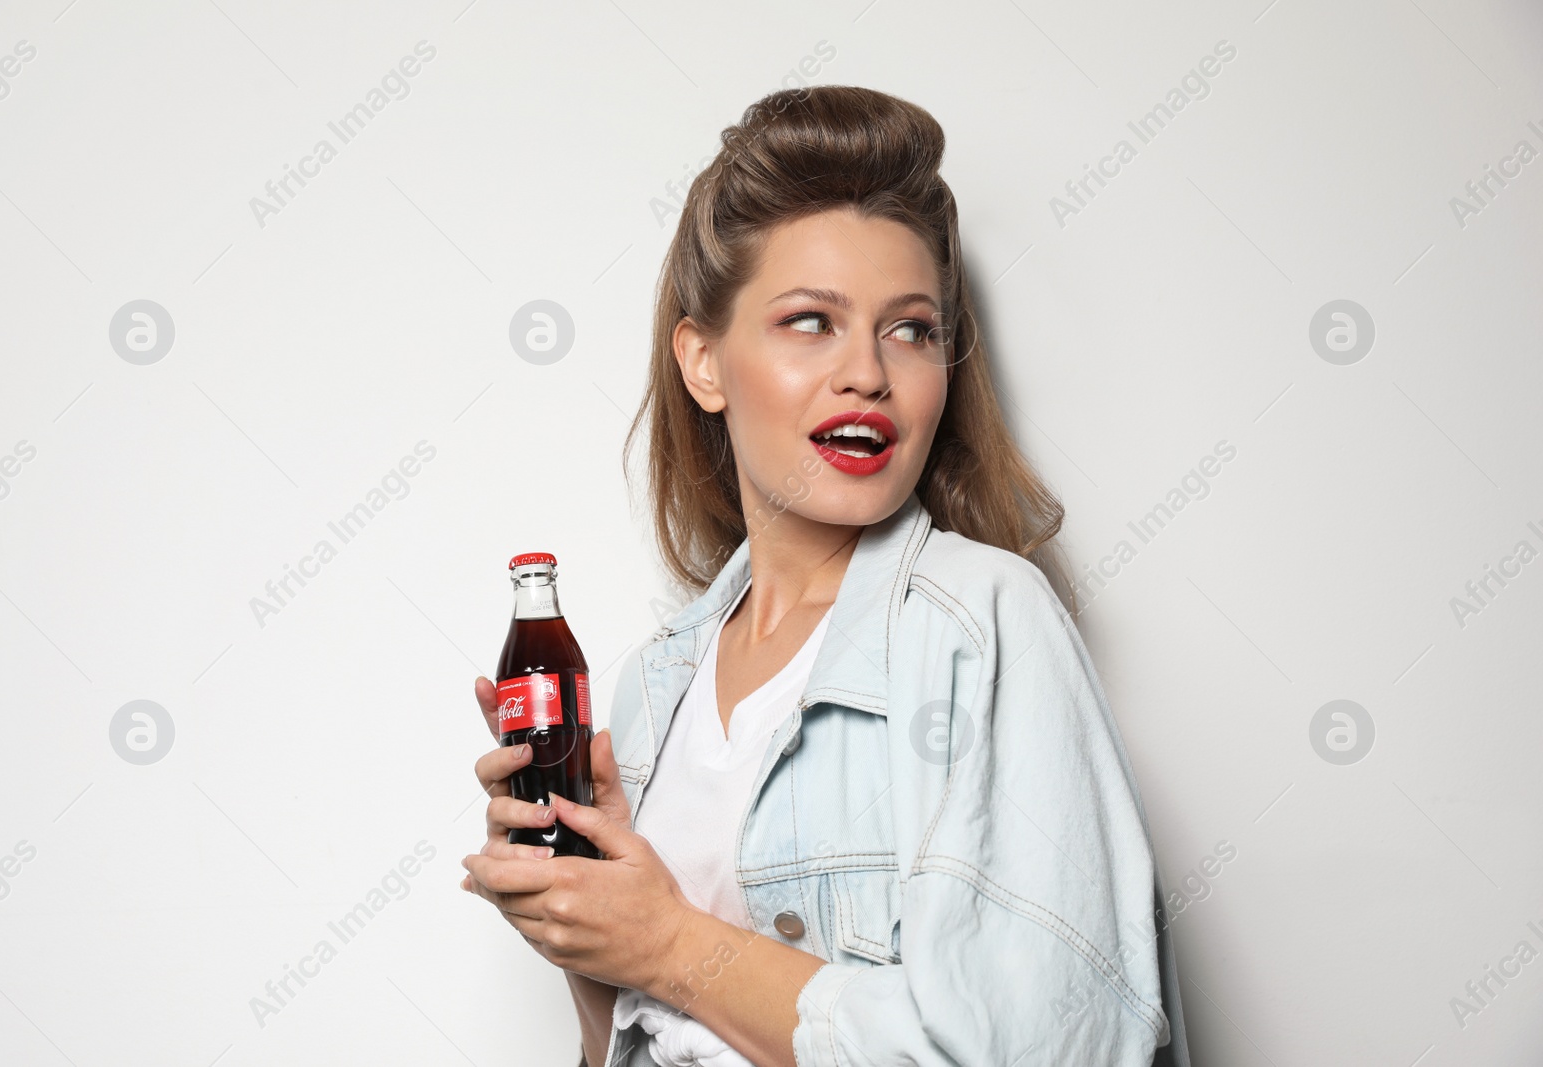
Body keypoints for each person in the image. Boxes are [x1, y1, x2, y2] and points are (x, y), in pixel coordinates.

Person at [464, 84, 1190, 1067]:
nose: (870, 374)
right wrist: (588, 940)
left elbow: (1059, 1042)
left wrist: (673, 943)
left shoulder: (979, 623)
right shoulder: (650, 687)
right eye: (811, 321)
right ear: (704, 361)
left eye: (911, 328)